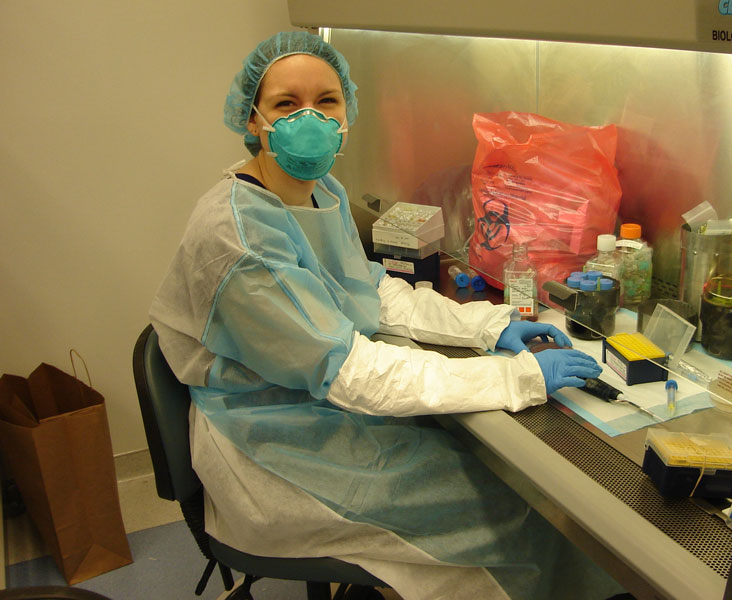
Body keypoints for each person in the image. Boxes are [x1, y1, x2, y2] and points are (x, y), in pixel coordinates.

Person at [150, 30, 627, 600]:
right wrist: (516, 377)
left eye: (326, 101)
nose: (310, 118)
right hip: (270, 448)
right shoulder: (238, 238)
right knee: (508, 516)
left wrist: (488, 325)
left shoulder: (315, 191)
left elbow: (373, 294)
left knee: (496, 485)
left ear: (346, 113)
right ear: (253, 120)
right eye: (285, 104)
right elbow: (348, 371)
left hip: (319, 411)